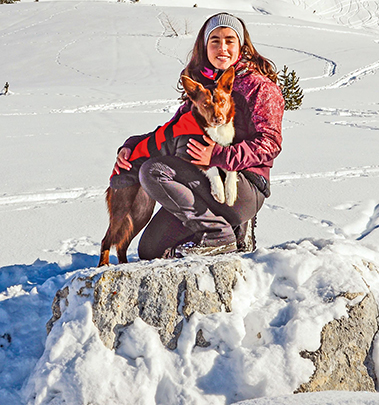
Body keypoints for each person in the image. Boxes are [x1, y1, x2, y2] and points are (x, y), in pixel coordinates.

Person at [114, 13, 283, 258]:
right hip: (203, 181)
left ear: (242, 45)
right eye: (214, 40)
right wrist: (131, 146)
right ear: (205, 47)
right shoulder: (201, 89)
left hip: (244, 187)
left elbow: (270, 144)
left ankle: (220, 234)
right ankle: (216, 228)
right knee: (151, 251)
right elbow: (172, 131)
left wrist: (218, 155)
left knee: (154, 170)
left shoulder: (259, 87)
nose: (222, 47)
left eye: (229, 40)